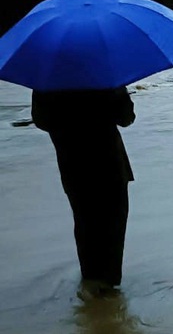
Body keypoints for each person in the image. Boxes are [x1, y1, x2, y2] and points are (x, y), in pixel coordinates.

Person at [32, 87, 135, 296]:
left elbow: (41, 121)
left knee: (85, 222)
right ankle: (108, 283)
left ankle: (91, 278)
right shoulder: (105, 76)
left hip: (72, 162)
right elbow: (126, 118)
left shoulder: (47, 81)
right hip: (109, 164)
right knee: (113, 223)